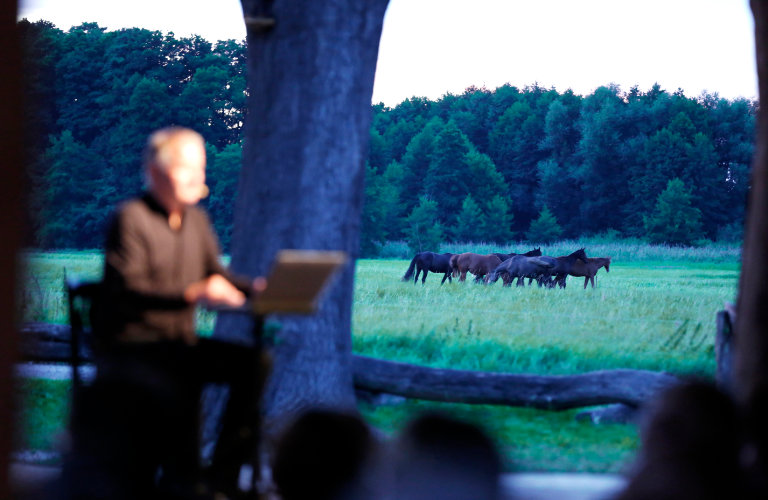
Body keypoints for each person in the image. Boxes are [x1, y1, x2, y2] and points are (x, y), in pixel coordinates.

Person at [66, 127, 266, 500]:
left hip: (179, 344)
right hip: (134, 347)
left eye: (201, 168)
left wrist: (253, 289)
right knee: (179, 377)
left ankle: (221, 477)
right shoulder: (130, 218)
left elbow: (217, 275)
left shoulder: (196, 221)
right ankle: (182, 479)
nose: (199, 178)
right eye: (188, 168)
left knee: (255, 363)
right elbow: (130, 288)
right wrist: (194, 293)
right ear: (157, 172)